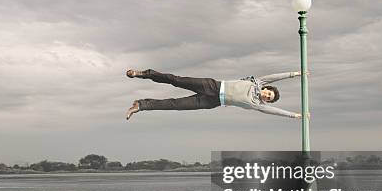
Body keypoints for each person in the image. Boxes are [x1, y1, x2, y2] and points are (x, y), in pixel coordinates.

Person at [125, 69, 307, 120]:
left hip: (212, 102)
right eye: (269, 94)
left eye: (269, 99)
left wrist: (294, 115)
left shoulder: (258, 105)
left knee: (176, 105)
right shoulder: (257, 82)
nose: (267, 96)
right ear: (267, 89)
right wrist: (294, 74)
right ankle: (144, 74)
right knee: (176, 79)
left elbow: (275, 111)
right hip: (212, 85)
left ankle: (141, 105)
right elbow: (274, 77)